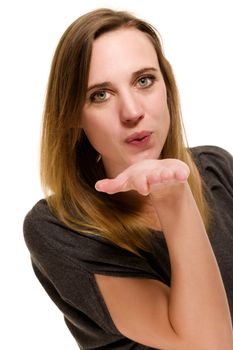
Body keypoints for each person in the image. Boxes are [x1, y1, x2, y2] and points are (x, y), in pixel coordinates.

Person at [23, 7, 233, 350]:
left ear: (167, 86)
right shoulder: (57, 228)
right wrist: (173, 196)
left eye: (144, 80)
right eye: (100, 95)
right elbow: (208, 345)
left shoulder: (215, 168)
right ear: (74, 115)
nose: (132, 112)